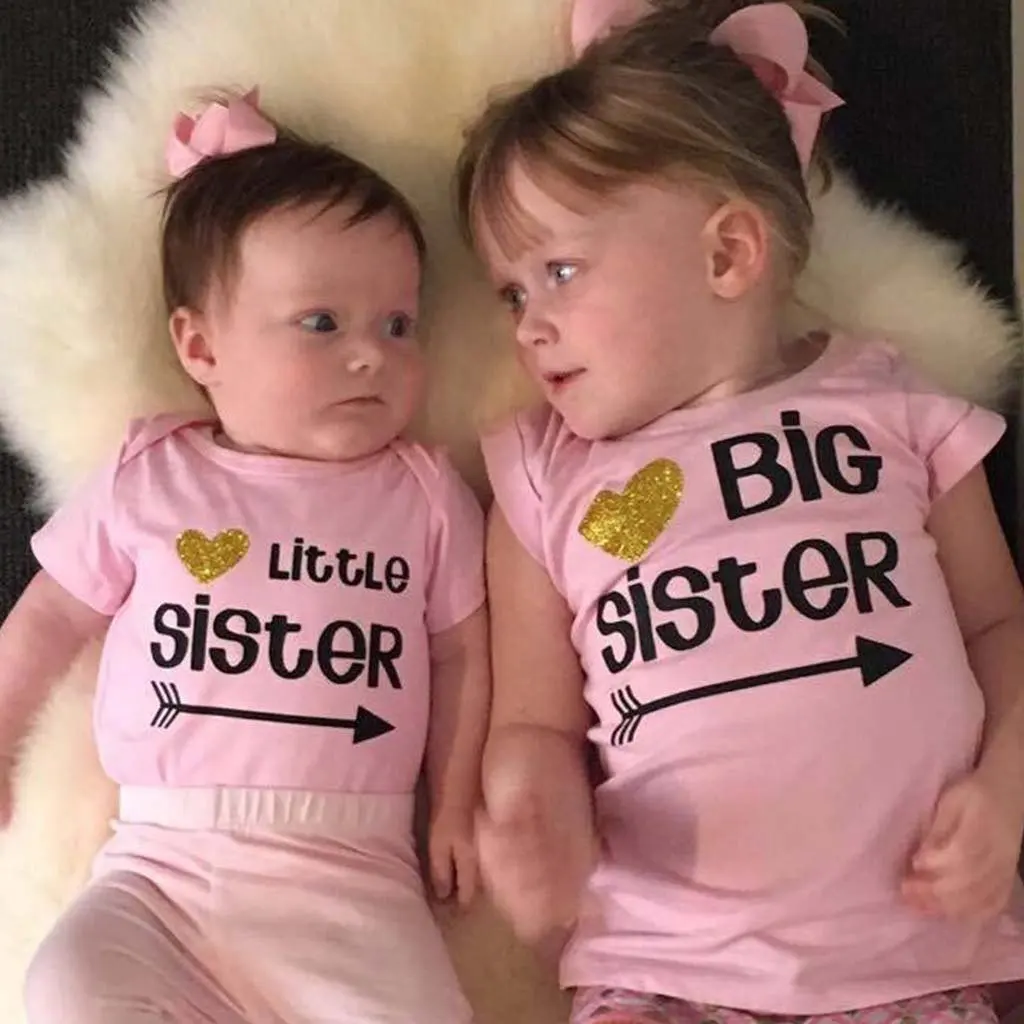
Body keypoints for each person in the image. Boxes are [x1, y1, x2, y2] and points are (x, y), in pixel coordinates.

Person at [456, 2, 1024, 1022]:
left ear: (726, 253)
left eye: (560, 272)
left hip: (912, 962)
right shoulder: (542, 477)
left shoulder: (894, 408)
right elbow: (532, 721)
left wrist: (1008, 791)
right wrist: (531, 811)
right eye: (509, 294)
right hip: (666, 972)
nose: (529, 325)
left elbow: (1001, 627)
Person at [1, 89, 487, 1023]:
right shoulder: (150, 477)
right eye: (321, 323)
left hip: (354, 883)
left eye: (398, 324)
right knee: (64, 986)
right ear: (201, 346)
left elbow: (463, 653)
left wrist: (457, 799)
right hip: (161, 875)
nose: (371, 356)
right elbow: (51, 615)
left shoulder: (422, 496)